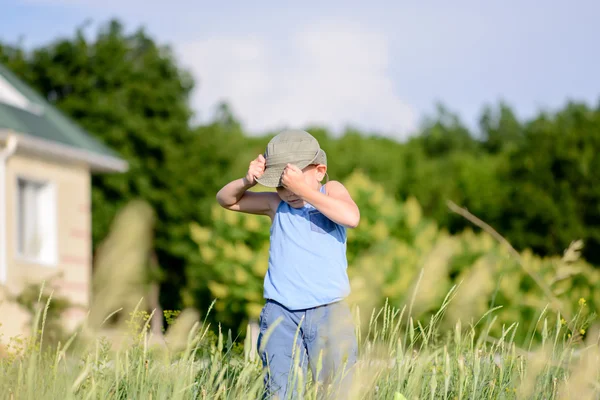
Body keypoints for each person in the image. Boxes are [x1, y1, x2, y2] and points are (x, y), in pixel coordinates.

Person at [216, 129, 360, 399]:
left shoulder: (333, 190)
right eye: (281, 185)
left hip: (329, 312)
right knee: (280, 392)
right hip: (281, 315)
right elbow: (226, 200)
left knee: (338, 390)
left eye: (292, 182)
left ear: (319, 170)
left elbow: (351, 217)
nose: (288, 192)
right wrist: (247, 181)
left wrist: (304, 190)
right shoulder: (275, 204)